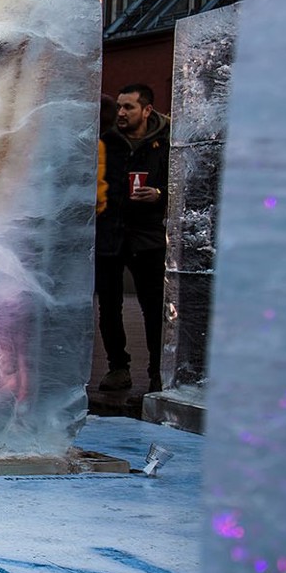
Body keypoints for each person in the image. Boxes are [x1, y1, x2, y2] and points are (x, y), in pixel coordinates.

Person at [97, 83, 170, 392]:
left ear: (147, 110)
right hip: (110, 235)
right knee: (109, 308)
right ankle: (118, 367)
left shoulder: (164, 144)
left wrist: (159, 194)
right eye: (120, 107)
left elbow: (180, 185)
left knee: (153, 309)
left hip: (147, 238)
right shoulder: (107, 142)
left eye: (129, 107)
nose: (122, 113)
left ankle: (157, 372)